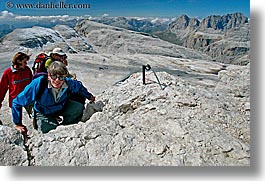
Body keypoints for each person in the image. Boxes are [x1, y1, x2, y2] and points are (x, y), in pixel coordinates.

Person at [12, 61, 95, 134]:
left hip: (60, 107)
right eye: (54, 76)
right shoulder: (38, 84)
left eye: (61, 77)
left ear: (65, 77)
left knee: (77, 108)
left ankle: (66, 127)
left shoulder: (69, 83)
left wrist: (89, 96)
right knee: (50, 132)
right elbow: (17, 102)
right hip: (43, 112)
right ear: (49, 76)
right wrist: (18, 124)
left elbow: (80, 87)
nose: (57, 80)